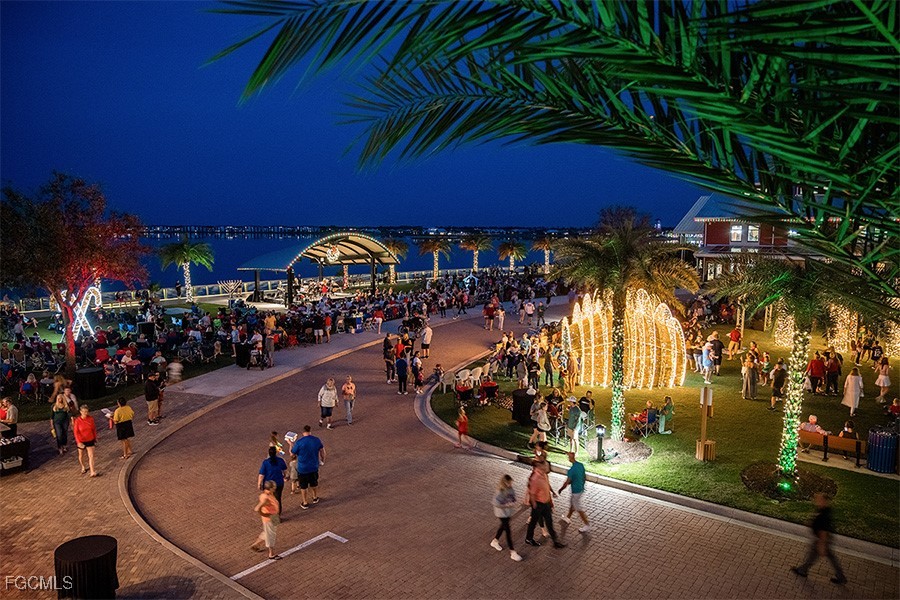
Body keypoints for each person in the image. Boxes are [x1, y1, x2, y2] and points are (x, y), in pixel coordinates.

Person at [791, 493, 846, 584]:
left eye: (819, 500)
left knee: (818, 555)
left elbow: (824, 530)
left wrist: (822, 544)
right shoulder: (824, 509)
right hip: (821, 538)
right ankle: (803, 570)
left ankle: (803, 570)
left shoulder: (825, 515)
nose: (817, 502)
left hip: (822, 538)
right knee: (818, 555)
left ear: (824, 501)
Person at [524, 458, 564, 548]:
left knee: (549, 522)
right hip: (538, 504)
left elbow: (547, 485)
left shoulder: (544, 475)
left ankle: (555, 541)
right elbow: (532, 493)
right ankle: (529, 538)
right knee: (533, 522)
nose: (548, 466)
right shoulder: (535, 478)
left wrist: (552, 492)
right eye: (546, 465)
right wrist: (534, 505)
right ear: (540, 466)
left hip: (545, 504)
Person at [290, 425, 325, 509]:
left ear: (303, 432)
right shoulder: (316, 440)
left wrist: (290, 444)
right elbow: (322, 451)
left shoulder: (299, 442)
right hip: (313, 466)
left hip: (302, 468)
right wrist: (322, 460)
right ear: (310, 431)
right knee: (314, 483)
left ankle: (305, 502)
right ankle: (315, 497)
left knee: (303, 486)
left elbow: (292, 454)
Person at [490, 474, 523, 561]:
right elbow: (495, 503)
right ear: (505, 483)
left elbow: (513, 497)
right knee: (508, 531)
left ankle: (495, 541)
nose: (511, 484)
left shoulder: (510, 489)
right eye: (509, 483)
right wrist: (506, 505)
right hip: (501, 514)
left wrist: (513, 502)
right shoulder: (500, 491)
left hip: (508, 513)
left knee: (503, 527)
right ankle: (512, 552)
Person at [559, 451, 590, 533]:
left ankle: (587, 524)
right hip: (580, 489)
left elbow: (567, 482)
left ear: (570, 458)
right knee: (572, 503)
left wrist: (560, 490)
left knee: (578, 508)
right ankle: (568, 517)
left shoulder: (571, 470)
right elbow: (584, 477)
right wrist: (582, 484)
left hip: (575, 491)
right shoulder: (580, 465)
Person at [250, 480, 281, 560]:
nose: (275, 488)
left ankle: (256, 544)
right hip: (270, 518)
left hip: (274, 516)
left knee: (269, 532)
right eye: (273, 487)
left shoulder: (267, 494)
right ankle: (271, 554)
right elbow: (257, 508)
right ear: (270, 488)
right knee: (271, 535)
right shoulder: (266, 498)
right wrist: (265, 514)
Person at [258, 446, 288, 515]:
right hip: (279, 483)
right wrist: (285, 477)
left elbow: (261, 474)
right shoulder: (280, 460)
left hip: (268, 485)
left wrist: (259, 483)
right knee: (277, 499)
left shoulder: (265, 462)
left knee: (269, 500)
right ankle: (277, 515)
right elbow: (285, 471)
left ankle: (270, 513)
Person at [73, 405, 99, 477]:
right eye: (84, 412)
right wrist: (78, 442)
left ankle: (92, 471)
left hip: (90, 439)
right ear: (81, 412)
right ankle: (83, 466)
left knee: (91, 455)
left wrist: (95, 437)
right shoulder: (77, 421)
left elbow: (93, 429)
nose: (85, 413)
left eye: (87, 412)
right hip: (81, 440)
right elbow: (76, 432)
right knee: (81, 455)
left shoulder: (90, 419)